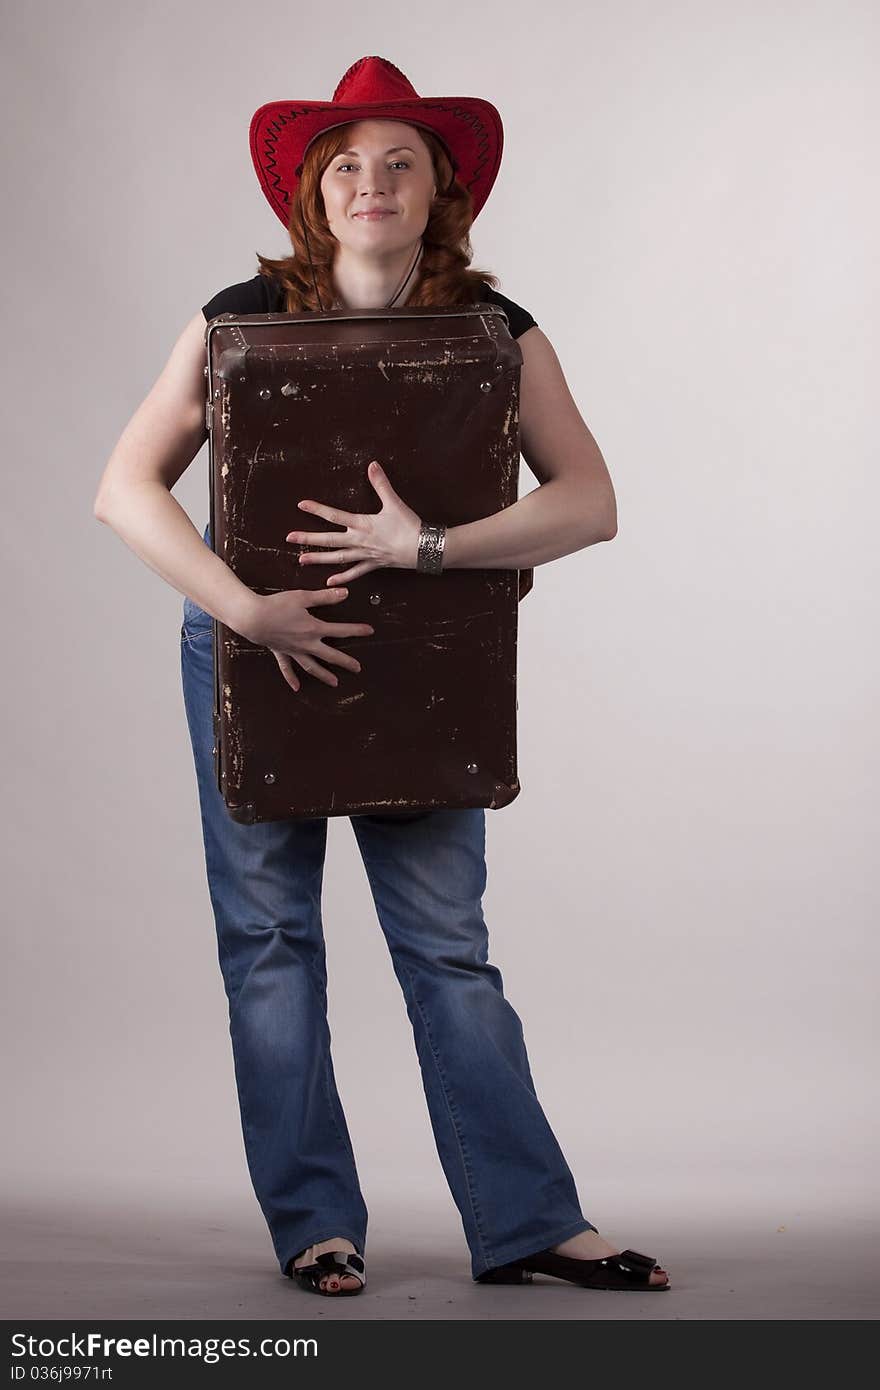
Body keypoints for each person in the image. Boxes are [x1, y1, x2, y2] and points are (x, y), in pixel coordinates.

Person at [93, 56, 669, 1298]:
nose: (373, 181)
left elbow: (591, 501)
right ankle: (316, 1225)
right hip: (255, 653)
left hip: (427, 663)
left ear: (439, 190)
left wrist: (428, 548)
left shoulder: (495, 332)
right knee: (269, 941)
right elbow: (122, 486)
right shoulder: (237, 313)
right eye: (346, 163)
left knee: (446, 948)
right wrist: (248, 610)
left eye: (400, 160)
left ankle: (527, 1223)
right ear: (312, 193)